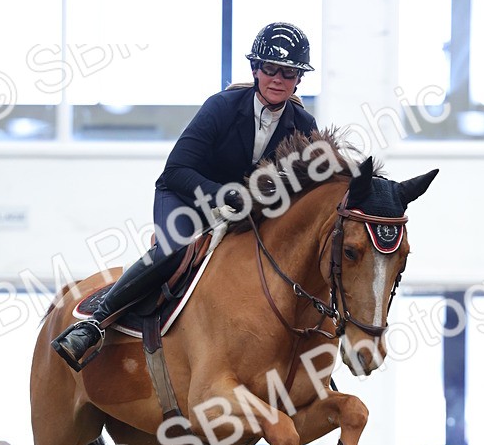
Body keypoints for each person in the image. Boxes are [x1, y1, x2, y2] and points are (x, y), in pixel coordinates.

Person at [52, 22, 318, 371]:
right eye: (270, 69)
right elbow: (176, 171)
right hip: (186, 198)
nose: (278, 79)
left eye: (288, 72)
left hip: (246, 214)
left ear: (299, 78)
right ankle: (93, 324)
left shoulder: (303, 125)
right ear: (255, 69)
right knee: (173, 248)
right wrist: (225, 195)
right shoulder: (221, 107)